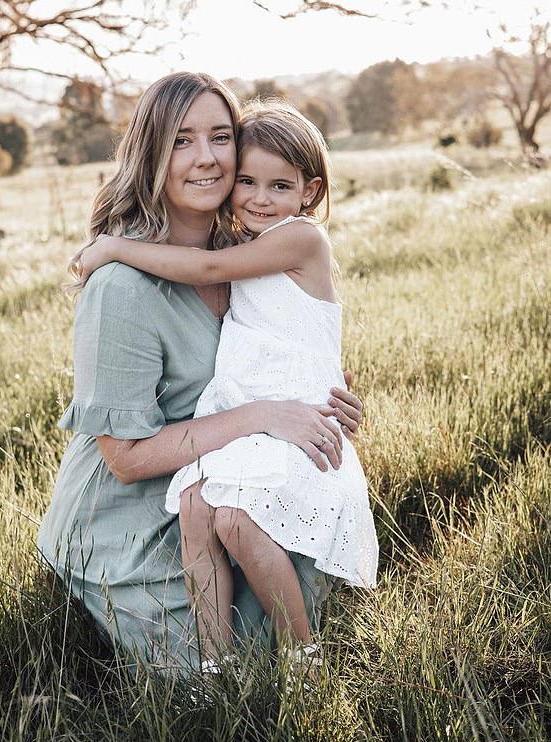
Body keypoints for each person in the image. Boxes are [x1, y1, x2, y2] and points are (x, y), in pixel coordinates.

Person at [74, 98, 378, 670]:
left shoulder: (245, 248)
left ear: (308, 191)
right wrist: (269, 410)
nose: (207, 158)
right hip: (135, 492)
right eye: (182, 140)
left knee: (265, 627)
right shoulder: (122, 286)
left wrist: (325, 392)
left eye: (219, 137)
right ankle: (214, 667)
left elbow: (278, 332)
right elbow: (127, 459)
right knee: (203, 544)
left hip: (249, 439)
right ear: (152, 153)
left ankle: (301, 664)